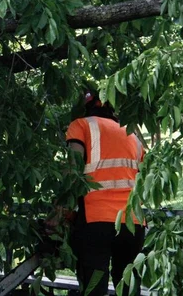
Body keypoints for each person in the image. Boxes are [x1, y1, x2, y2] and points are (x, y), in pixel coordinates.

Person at [65, 91, 146, 296]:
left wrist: (60, 212)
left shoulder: (81, 125)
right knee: (128, 287)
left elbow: (73, 173)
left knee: (94, 287)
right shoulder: (133, 136)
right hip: (133, 223)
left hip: (96, 223)